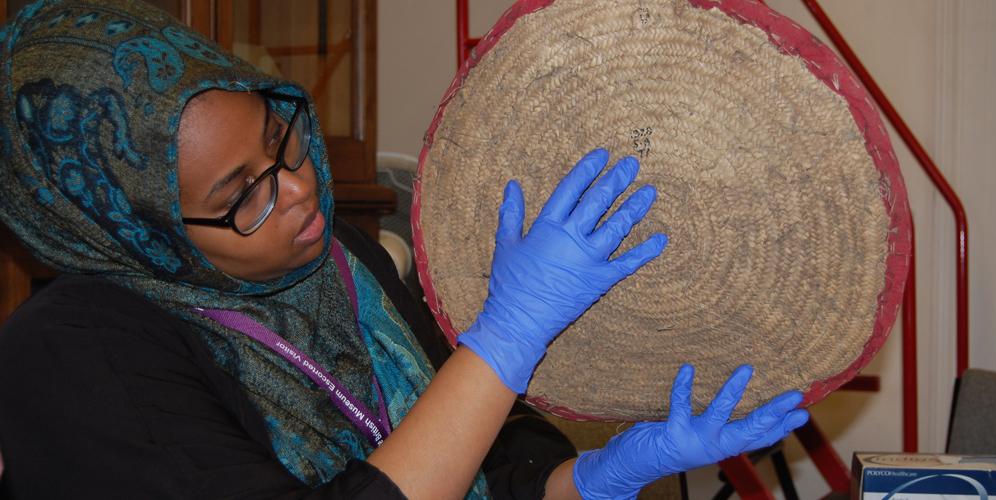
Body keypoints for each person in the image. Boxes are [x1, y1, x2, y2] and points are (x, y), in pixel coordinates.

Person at [0, 1, 808, 498]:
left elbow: (481, 474)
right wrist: (508, 336)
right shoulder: (77, 356)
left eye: (280, 134)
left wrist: (599, 478)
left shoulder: (338, 260)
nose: (298, 186)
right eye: (240, 195)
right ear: (138, 231)